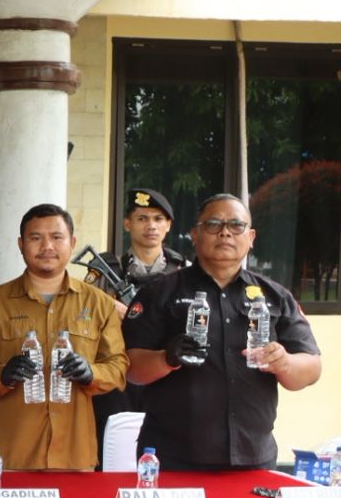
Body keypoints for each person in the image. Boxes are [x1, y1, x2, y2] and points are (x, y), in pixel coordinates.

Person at [124, 194, 321, 470]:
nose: (225, 232)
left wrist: (284, 363)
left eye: (236, 226)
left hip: (253, 457)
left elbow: (312, 367)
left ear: (251, 237)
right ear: (194, 235)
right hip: (174, 458)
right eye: (213, 224)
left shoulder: (275, 296)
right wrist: (165, 359)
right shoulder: (160, 292)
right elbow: (129, 367)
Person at [0, 203, 127, 471]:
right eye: (36, 238)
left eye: (57, 237)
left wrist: (91, 373)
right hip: (11, 455)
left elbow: (118, 366)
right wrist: (1, 374)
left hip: (74, 457)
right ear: (21, 244)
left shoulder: (99, 304)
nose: (47, 246)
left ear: (72, 243)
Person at [84, 187, 187, 460]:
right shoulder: (105, 269)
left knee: (166, 454)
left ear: (168, 225)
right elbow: (81, 315)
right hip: (117, 376)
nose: (151, 226)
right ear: (128, 224)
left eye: (158, 219)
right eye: (142, 218)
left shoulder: (184, 272)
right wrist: (111, 309)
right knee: (111, 451)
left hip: (166, 374)